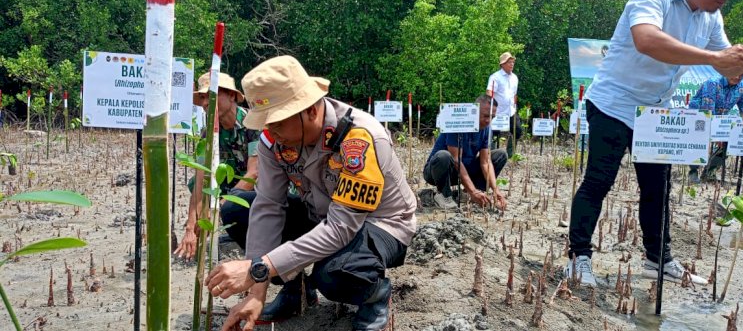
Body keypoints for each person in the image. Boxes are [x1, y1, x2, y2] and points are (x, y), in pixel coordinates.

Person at [204, 55, 417, 331]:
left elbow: (341, 229)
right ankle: (296, 292)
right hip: (321, 215)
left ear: (311, 111)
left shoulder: (358, 138)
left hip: (378, 224)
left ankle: (374, 294)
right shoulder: (274, 141)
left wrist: (260, 267)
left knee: (333, 273)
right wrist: (257, 292)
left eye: (278, 123)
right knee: (238, 210)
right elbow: (268, 205)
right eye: (266, 124)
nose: (271, 132)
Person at [567, 0, 743, 288]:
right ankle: (578, 258)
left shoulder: (711, 17)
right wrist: (715, 58)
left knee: (658, 187)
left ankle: (658, 260)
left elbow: (727, 65)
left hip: (653, 113)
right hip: (612, 105)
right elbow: (647, 40)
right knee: (599, 180)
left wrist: (739, 60)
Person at [174, 72, 259, 259]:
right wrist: (190, 226)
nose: (205, 103)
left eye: (211, 96)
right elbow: (199, 179)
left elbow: (253, 174)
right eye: (203, 97)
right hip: (230, 185)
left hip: (256, 188)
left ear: (231, 95)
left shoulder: (252, 126)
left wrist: (216, 209)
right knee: (197, 185)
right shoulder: (208, 134)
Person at [423, 95, 508, 210]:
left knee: (500, 155)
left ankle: (472, 193)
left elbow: (485, 162)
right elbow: (456, 160)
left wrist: (495, 190)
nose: (488, 120)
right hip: (438, 171)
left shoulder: (487, 129)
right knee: (444, 156)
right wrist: (472, 190)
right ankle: (444, 194)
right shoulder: (458, 123)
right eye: (485, 116)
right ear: (475, 111)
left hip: (464, 170)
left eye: (492, 117)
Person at [688, 74, 743, 183]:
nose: (737, 76)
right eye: (736, 72)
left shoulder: (741, 88)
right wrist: (717, 135)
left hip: (719, 120)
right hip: (699, 116)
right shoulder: (712, 83)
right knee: (699, 143)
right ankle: (693, 172)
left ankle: (709, 172)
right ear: (728, 69)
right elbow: (708, 110)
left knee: (728, 144)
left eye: (742, 74)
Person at [486, 52, 521, 156]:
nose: (512, 64)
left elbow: (514, 94)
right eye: (509, 62)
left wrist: (515, 105)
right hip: (498, 112)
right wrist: (490, 109)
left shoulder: (515, 78)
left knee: (518, 130)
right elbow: (489, 92)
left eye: (512, 62)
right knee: (494, 134)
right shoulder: (495, 77)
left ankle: (510, 155)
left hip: (511, 111)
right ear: (502, 64)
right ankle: (492, 155)